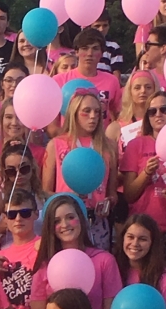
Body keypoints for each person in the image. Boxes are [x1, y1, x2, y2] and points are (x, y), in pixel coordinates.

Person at [30, 195, 122, 309]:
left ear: (81, 219)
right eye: (57, 221)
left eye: (70, 217)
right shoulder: (44, 266)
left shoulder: (104, 261)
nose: (65, 224)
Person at [121, 92, 166, 263]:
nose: (158, 114)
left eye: (164, 110)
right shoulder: (136, 145)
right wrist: (146, 174)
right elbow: (129, 195)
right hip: (143, 228)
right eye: (152, 111)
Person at [43, 91, 118, 250]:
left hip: (96, 222)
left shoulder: (109, 146)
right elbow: (45, 191)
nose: (93, 116)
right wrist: (67, 199)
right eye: (87, 111)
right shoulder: (56, 144)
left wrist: (108, 202)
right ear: (74, 113)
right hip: (67, 222)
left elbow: (112, 192)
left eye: (97, 112)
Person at [0, 142, 48, 251]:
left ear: (32, 166)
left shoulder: (45, 198)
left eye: (24, 168)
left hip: (37, 255)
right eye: (11, 171)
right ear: (4, 172)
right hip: (8, 258)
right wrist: (1, 228)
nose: (18, 174)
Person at [52, 28, 122, 121]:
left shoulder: (112, 81)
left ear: (101, 53)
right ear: (76, 52)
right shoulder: (59, 80)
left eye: (95, 49)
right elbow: (52, 125)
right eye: (85, 49)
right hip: (68, 134)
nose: (89, 53)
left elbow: (118, 115)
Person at [105, 70, 158, 154]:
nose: (143, 91)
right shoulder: (115, 129)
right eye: (137, 88)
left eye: (148, 87)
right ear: (130, 91)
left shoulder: (162, 124)